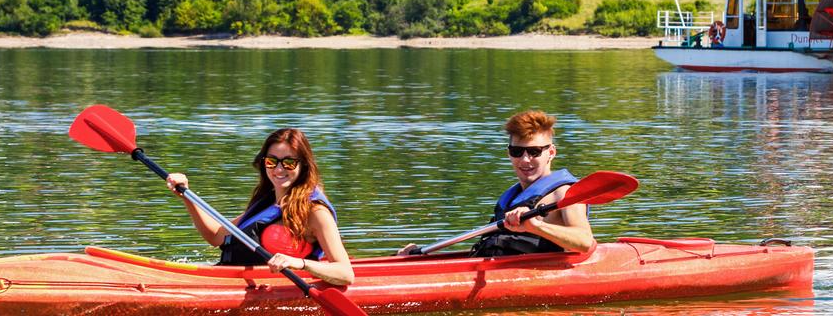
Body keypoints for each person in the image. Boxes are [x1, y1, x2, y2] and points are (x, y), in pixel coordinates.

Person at [166, 128, 355, 285]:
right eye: (272, 161)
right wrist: (187, 196)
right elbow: (215, 236)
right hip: (232, 280)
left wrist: (299, 263)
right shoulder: (267, 202)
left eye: (289, 162)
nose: (279, 169)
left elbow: (345, 273)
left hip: (273, 288)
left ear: (303, 165)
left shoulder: (315, 211)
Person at [399, 110, 595, 257]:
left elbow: (585, 242)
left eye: (534, 152)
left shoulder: (565, 193)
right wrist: (423, 257)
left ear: (551, 152)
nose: (525, 160)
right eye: (517, 152)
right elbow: (496, 245)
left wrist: (537, 227)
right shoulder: (513, 198)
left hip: (538, 275)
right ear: (508, 153)